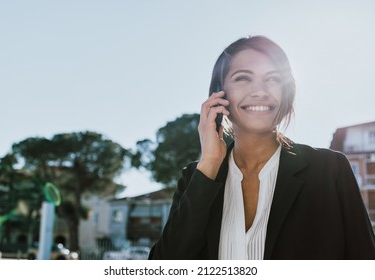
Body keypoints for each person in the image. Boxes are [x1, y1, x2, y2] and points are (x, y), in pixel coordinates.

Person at [148, 35, 375, 260]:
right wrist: (209, 164)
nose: (260, 91)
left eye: (273, 79)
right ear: (219, 93)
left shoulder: (330, 170)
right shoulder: (195, 178)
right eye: (243, 78)